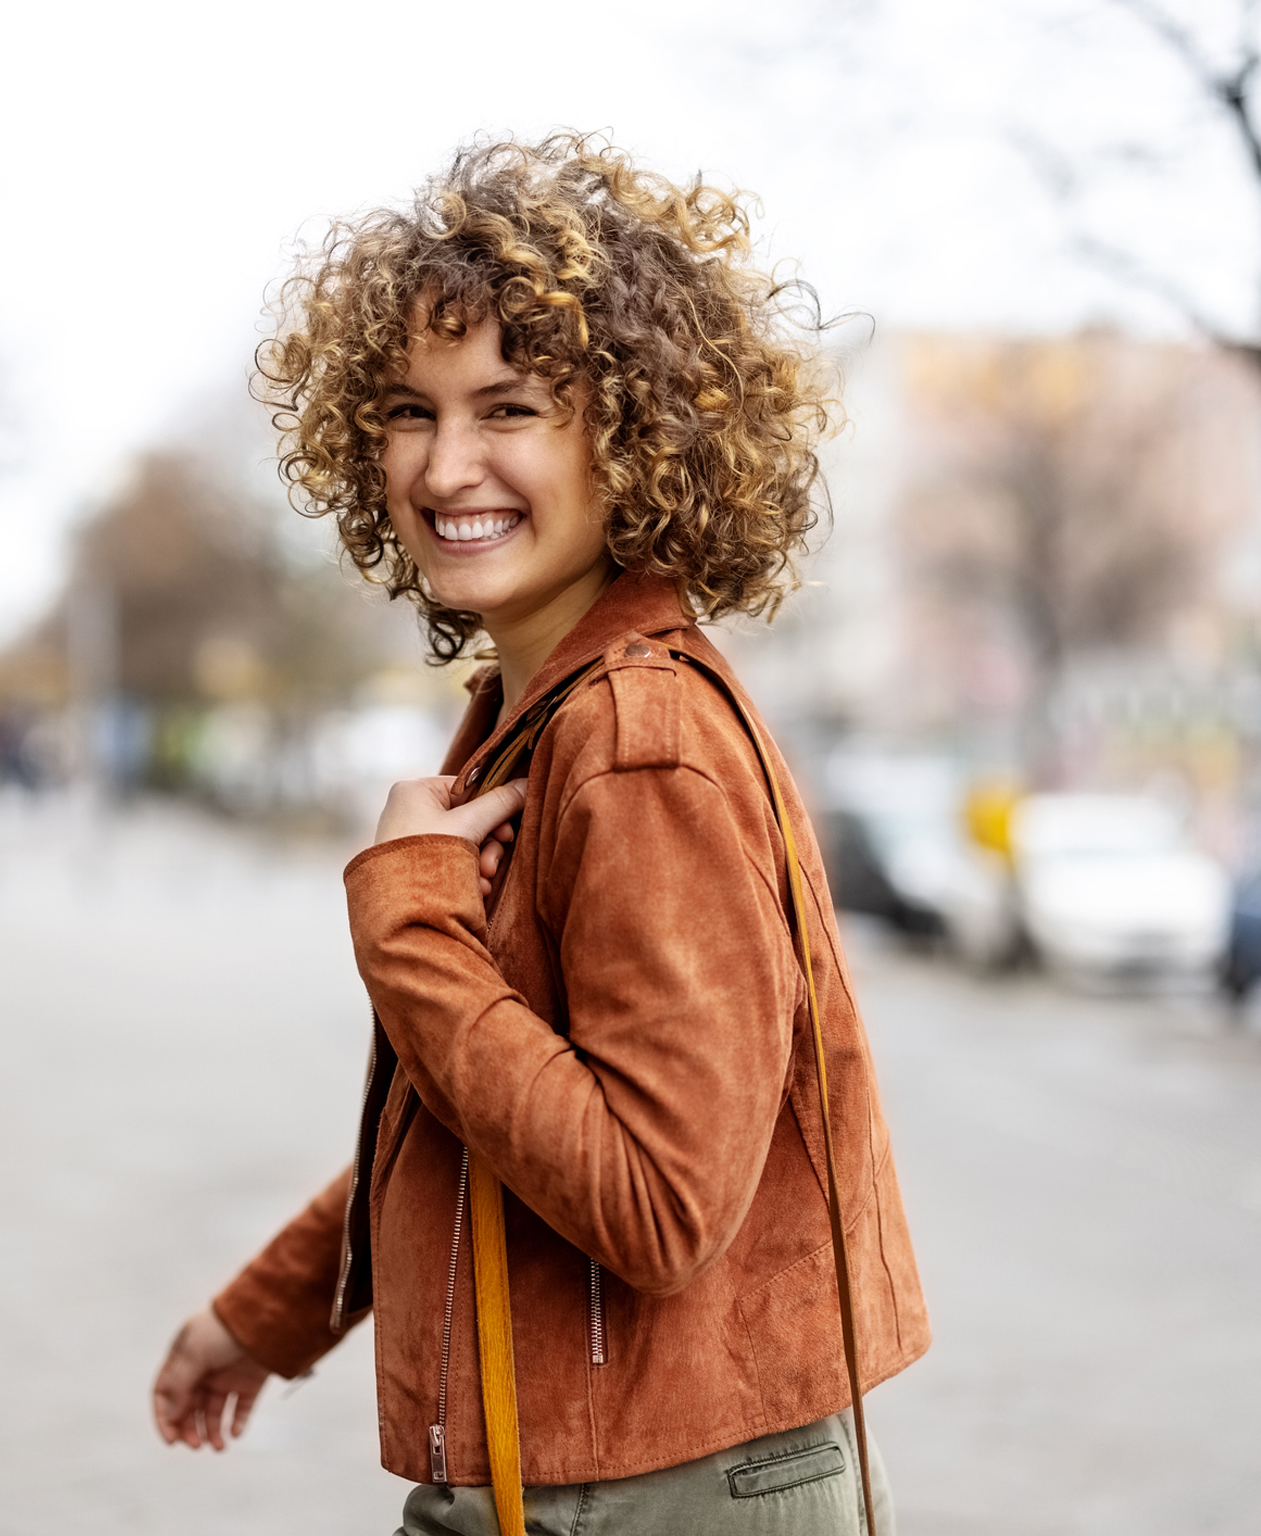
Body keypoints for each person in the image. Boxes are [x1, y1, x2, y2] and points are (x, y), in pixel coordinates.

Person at [152, 134, 928, 1534]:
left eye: (508, 408)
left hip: (643, 1494)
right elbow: (493, 1117)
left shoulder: (634, 738)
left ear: (630, 435)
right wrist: (271, 1310)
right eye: (410, 410)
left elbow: (659, 1205)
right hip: (597, 1471)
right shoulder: (543, 712)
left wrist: (409, 923)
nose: (447, 465)